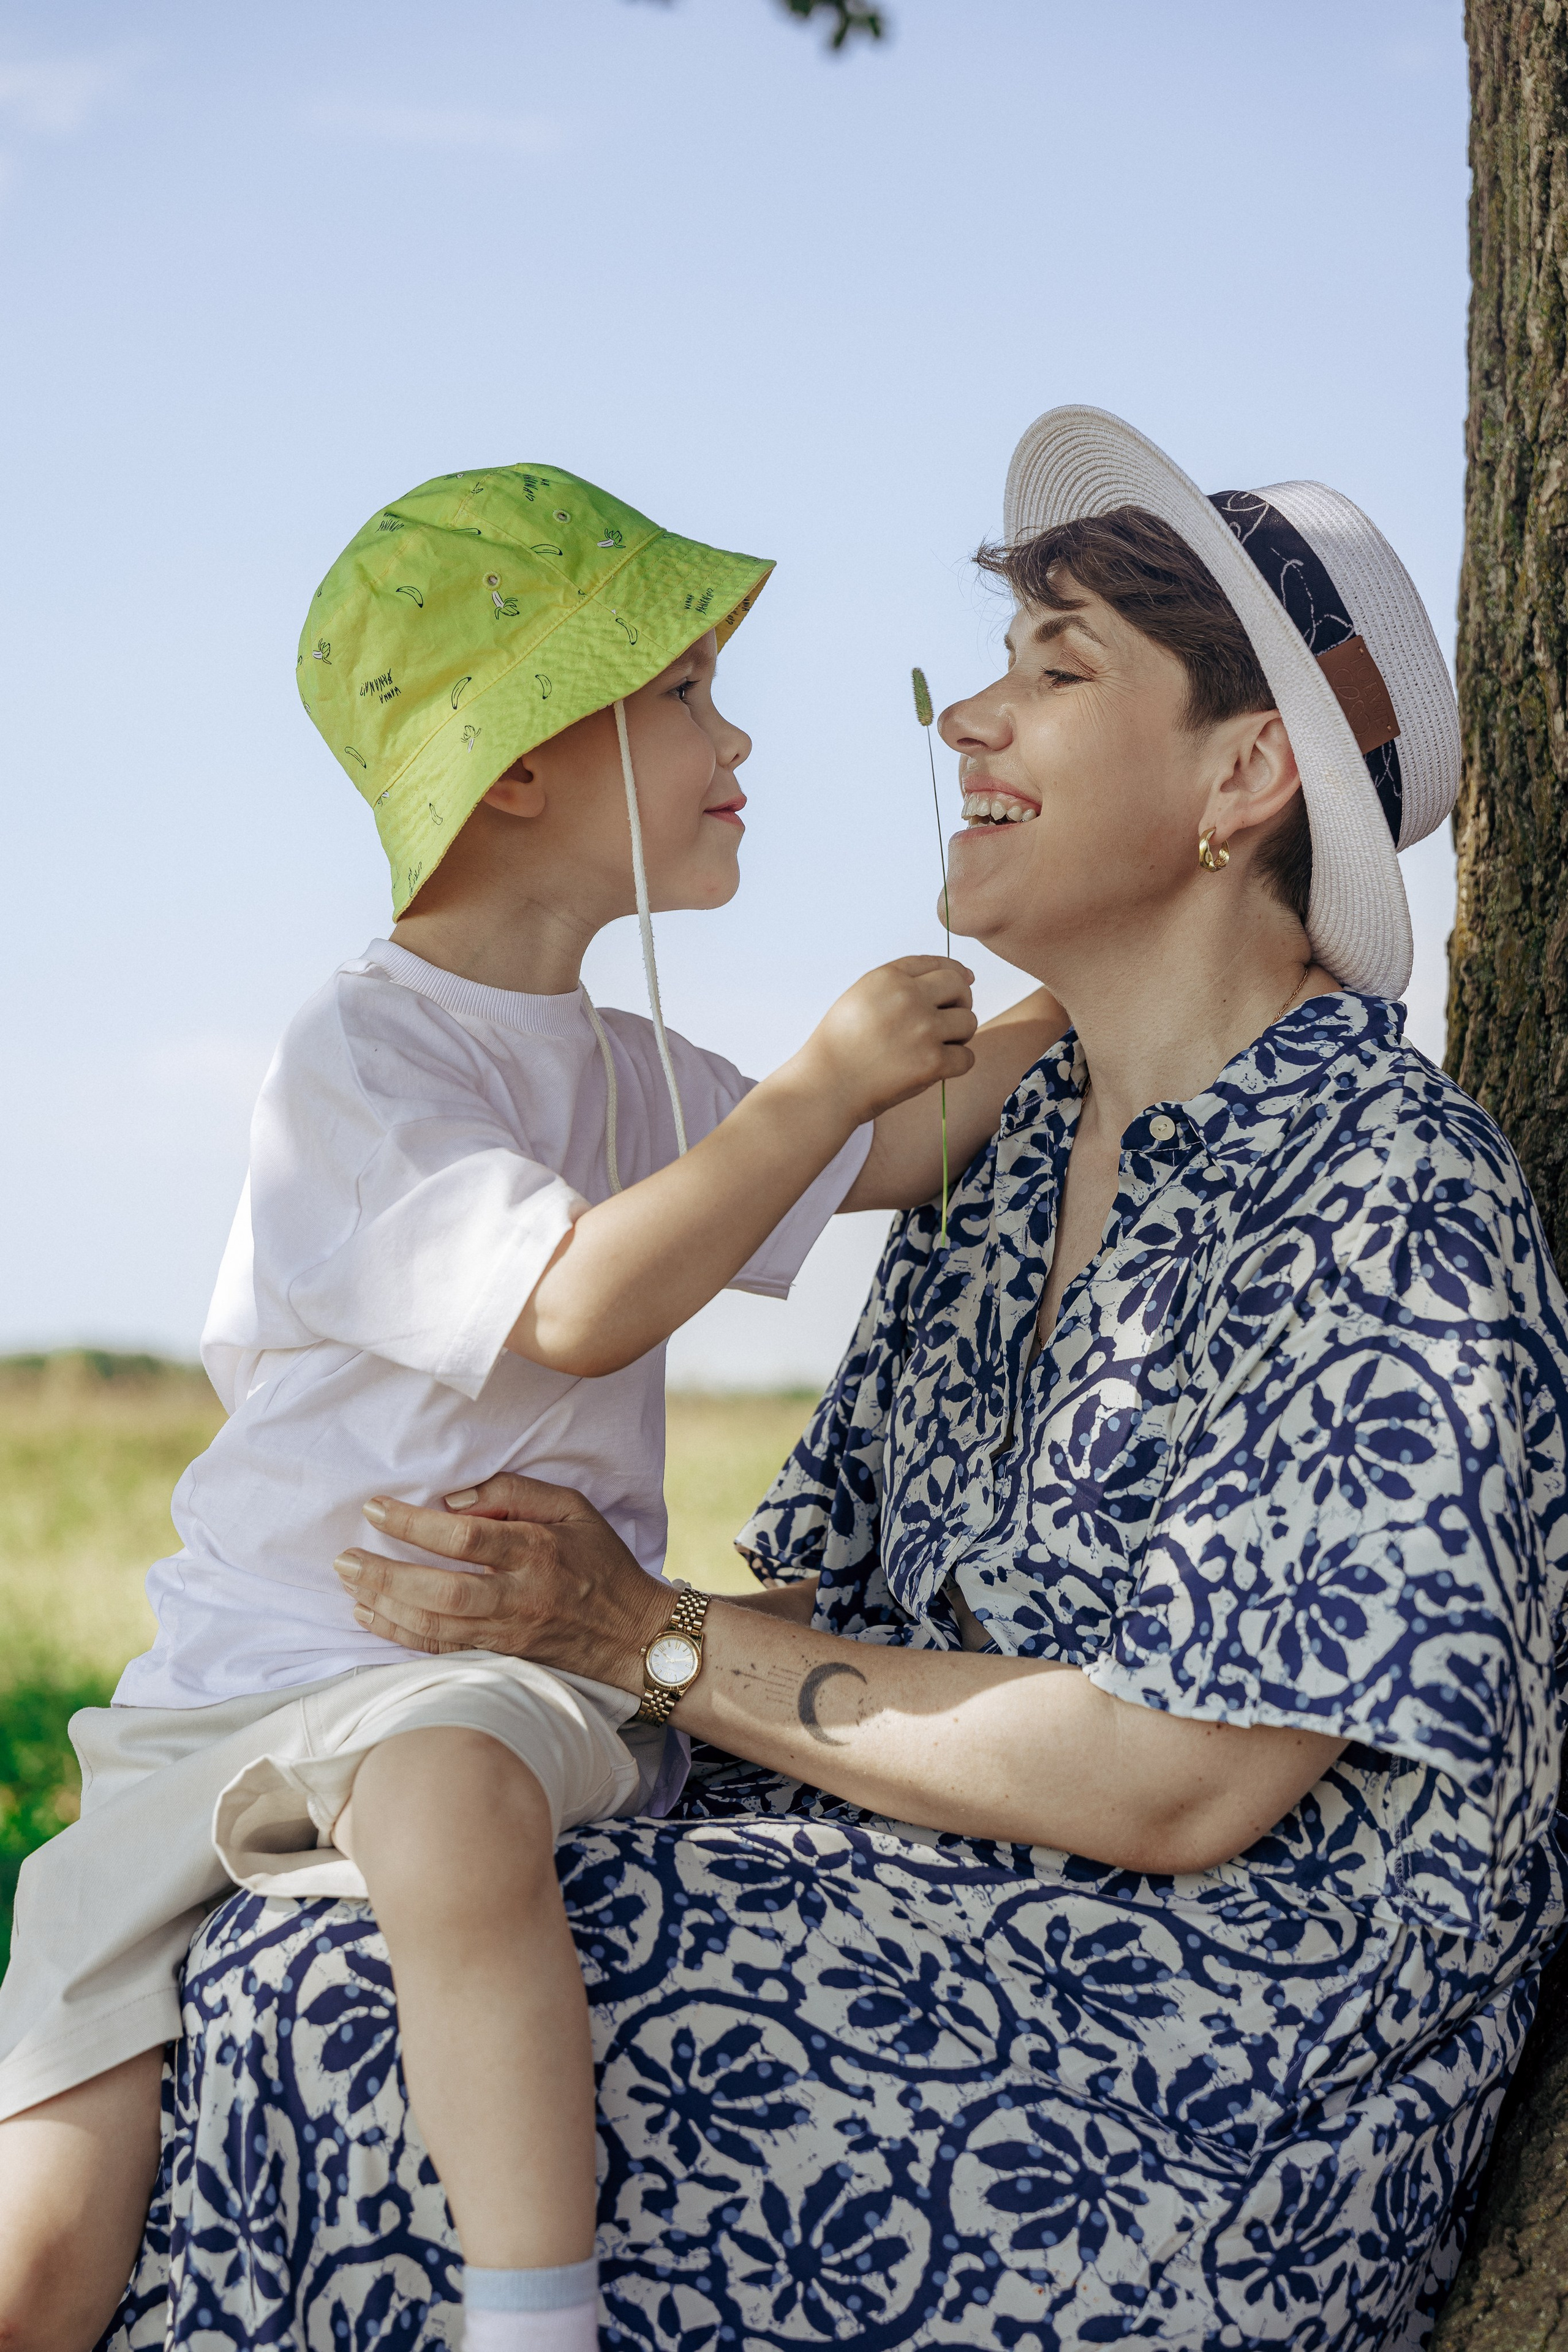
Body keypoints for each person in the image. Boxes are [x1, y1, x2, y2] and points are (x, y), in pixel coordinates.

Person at [104, 408, 1568, 2352]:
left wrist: (646, 1638)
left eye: (1057, 671)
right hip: (956, 1904)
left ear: (1243, 777)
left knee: (359, 2022)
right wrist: (429, 1692)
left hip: (1201, 2058)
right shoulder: (1017, 1153)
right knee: (314, 1930)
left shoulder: (1390, 1194)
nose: (968, 718)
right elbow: (826, 1588)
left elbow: (1189, 1777)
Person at [0, 462, 1060, 2352]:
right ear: (515, 770)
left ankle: (529, 2310)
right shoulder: (362, 1057)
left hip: (490, 1679)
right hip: (214, 1705)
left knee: (441, 1794)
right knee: (37, 2264)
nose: (738, 735)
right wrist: (807, 1090)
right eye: (682, 696)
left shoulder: (647, 1075)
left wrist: (1095, 986)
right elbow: (570, 1302)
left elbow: (921, 1143)